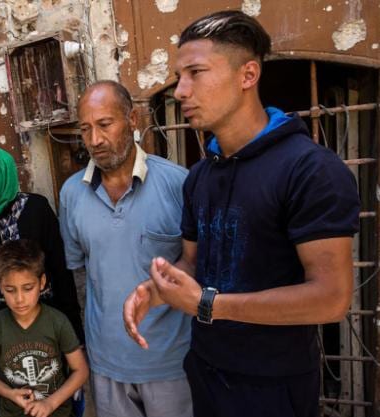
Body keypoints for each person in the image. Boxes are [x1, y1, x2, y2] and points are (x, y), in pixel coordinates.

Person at [123, 10, 360, 417]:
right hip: (206, 372)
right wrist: (161, 288)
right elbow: (193, 262)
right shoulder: (200, 176)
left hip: (273, 386)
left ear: (248, 75)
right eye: (179, 76)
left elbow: (331, 298)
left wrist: (209, 304)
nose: (180, 91)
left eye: (195, 72)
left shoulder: (309, 169)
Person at [59, 80, 192, 417]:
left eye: (105, 125)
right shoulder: (71, 194)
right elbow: (79, 277)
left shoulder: (178, 184)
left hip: (170, 363)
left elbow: (197, 264)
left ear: (132, 119)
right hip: (106, 364)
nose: (94, 140)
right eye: (85, 129)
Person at [0, 144, 84, 417]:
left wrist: (76, 338)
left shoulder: (35, 210)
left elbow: (60, 273)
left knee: (44, 395)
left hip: (39, 321)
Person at [0, 239, 89, 417]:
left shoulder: (57, 322)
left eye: (28, 288)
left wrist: (50, 404)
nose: (19, 299)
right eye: (10, 290)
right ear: (0, 285)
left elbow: (80, 371)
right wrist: (9, 393)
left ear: (42, 282)